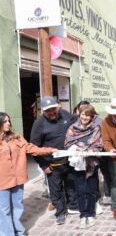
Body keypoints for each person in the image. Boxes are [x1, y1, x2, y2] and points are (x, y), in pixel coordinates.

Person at [0, 112, 56, 236]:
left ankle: (19, 231)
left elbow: (30, 148)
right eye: (4, 121)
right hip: (2, 180)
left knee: (17, 207)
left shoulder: (16, 137)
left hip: (17, 179)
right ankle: (7, 233)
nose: (8, 123)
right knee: (4, 210)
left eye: (8, 121)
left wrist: (49, 150)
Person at [30, 96, 78, 225]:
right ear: (43, 111)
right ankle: (60, 213)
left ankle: (72, 206)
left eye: (53, 109)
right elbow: (33, 148)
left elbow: (78, 121)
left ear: (57, 107)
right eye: (48, 111)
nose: (51, 112)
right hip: (52, 164)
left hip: (68, 161)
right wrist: (43, 165)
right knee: (56, 191)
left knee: (71, 186)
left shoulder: (65, 115)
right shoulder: (38, 124)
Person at [64, 104, 103, 229]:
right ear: (79, 114)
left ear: (92, 117)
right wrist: (79, 148)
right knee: (80, 191)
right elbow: (68, 143)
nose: (84, 117)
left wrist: (85, 149)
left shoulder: (96, 128)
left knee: (92, 190)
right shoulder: (72, 128)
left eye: (87, 115)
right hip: (78, 165)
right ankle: (83, 215)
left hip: (91, 164)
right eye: (82, 115)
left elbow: (98, 144)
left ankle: (91, 214)